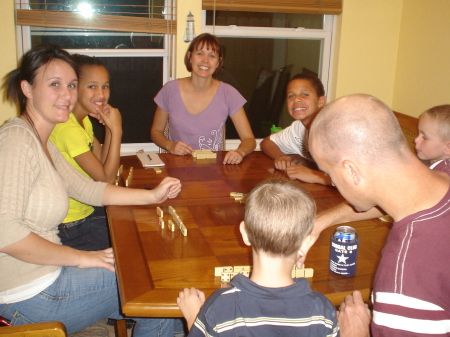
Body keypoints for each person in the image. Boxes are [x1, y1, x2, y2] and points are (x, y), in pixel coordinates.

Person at [0, 44, 182, 336]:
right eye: (54, 84)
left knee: (159, 301)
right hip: (28, 297)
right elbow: (5, 232)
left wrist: (152, 195)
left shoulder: (41, 140)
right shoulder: (16, 139)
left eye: (71, 85)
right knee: (156, 282)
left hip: (45, 280)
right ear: (27, 88)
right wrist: (82, 257)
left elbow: (91, 190)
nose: (67, 95)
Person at [308, 94, 450, 336]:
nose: (332, 181)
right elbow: (390, 193)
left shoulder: (403, 283)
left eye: (330, 174)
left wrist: (356, 332)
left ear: (352, 171)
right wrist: (321, 221)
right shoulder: (442, 169)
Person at [177, 177, 339, 336]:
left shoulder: (220, 307)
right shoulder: (322, 311)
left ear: (244, 233)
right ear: (307, 243)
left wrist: (194, 318)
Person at [49, 54, 122, 251]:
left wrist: (108, 128)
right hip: (71, 225)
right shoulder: (68, 129)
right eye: (92, 86)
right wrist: (117, 131)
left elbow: (102, 164)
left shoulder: (83, 121)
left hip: (88, 209)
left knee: (133, 219)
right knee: (129, 245)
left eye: (105, 86)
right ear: (73, 88)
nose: (101, 94)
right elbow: (107, 180)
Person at [150, 33, 256, 165]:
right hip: (176, 170)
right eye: (200, 53)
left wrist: (240, 152)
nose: (205, 60)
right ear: (190, 57)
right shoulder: (170, 90)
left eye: (212, 56)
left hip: (214, 173)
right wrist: (170, 145)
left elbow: (249, 139)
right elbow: (156, 131)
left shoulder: (228, 93)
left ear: (218, 62)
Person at [260, 73, 331, 185]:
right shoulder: (298, 128)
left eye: (305, 94)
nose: (296, 99)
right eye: (291, 96)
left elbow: (356, 179)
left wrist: (316, 177)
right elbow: (267, 142)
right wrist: (280, 156)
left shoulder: (333, 130)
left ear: (321, 101)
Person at [415, 104, 450, 175]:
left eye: (424, 137)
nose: (416, 140)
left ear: (448, 148)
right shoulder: (429, 156)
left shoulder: (443, 176)